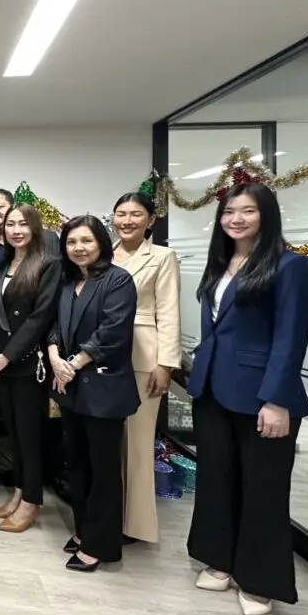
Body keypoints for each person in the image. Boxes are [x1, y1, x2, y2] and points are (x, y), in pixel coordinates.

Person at [186, 183, 308, 615]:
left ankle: (259, 581)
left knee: (263, 490)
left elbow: (290, 338)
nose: (236, 219)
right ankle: (220, 561)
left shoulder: (291, 266)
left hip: (263, 395)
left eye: (247, 211)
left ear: (267, 215)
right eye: (229, 212)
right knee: (216, 480)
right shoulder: (220, 263)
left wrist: (277, 400)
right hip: (212, 390)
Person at [48, 215, 139, 573]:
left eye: (86, 241)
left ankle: (100, 545)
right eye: (71, 242)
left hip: (103, 388)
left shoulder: (117, 280)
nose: (78, 248)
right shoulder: (68, 282)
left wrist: (73, 363)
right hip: (70, 387)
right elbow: (53, 326)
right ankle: (85, 530)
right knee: (77, 463)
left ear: (101, 242)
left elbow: (113, 331)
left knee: (103, 469)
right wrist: (55, 358)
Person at [0, 205, 61, 532]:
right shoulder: (3, 264)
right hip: (0, 362)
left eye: (23, 224)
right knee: (13, 433)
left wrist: (7, 356)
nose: (16, 230)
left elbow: (40, 317)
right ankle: (18, 491)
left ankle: (32, 500)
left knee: (30, 435)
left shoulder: (48, 264)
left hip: (28, 363)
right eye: (11, 224)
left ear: (35, 228)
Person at [111, 192, 181, 544]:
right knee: (109, 443)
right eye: (121, 214)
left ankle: (135, 525)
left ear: (150, 220)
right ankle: (109, 515)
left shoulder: (162, 257)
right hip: (103, 357)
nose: (127, 221)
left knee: (137, 444)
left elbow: (168, 312)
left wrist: (166, 364)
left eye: (136, 214)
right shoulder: (102, 252)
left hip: (143, 356)